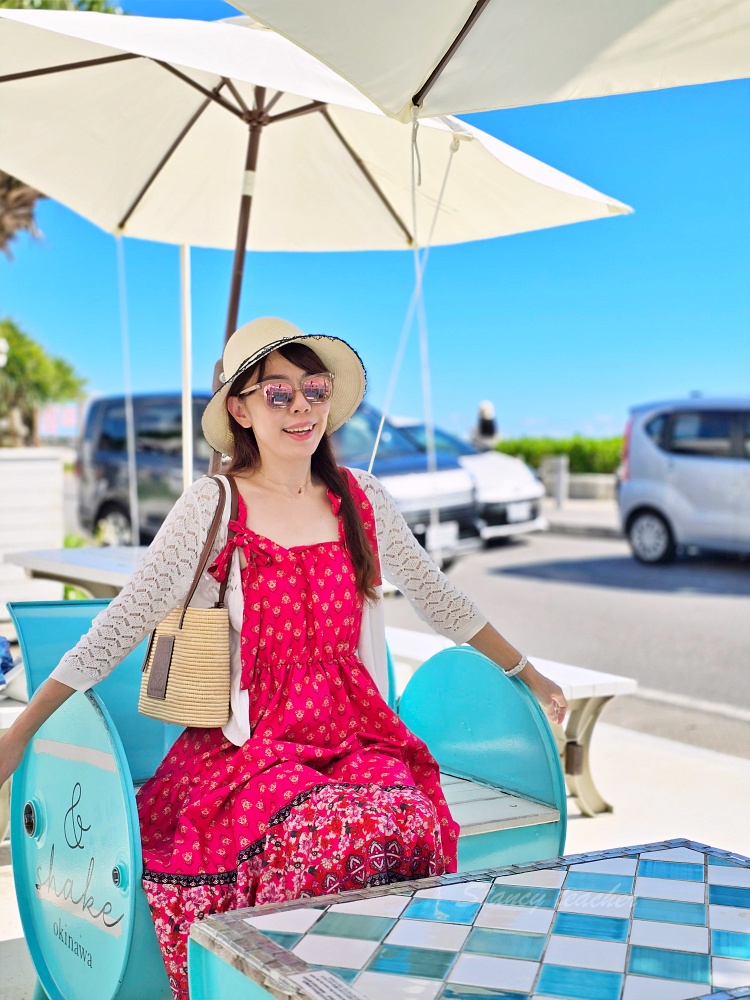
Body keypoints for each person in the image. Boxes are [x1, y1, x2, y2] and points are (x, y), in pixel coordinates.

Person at [0, 317, 567, 1000]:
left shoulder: (361, 498)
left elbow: (436, 596)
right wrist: (23, 728)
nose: (300, 407)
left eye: (313, 389)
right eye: (277, 393)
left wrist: (525, 671)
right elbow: (122, 623)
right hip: (251, 747)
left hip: (356, 734)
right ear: (240, 408)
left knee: (403, 819)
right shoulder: (214, 505)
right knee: (323, 833)